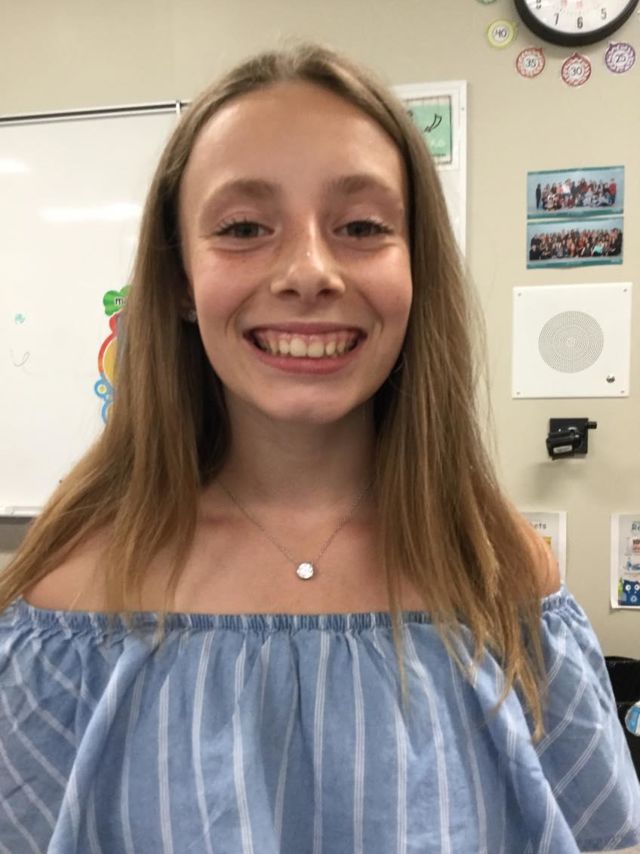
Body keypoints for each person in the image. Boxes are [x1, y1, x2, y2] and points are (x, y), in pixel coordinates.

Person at [0, 43, 639, 854]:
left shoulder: (497, 569)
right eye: (243, 228)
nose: (308, 271)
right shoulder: (70, 598)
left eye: (363, 227)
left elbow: (603, 835)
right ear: (182, 281)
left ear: (416, 270)